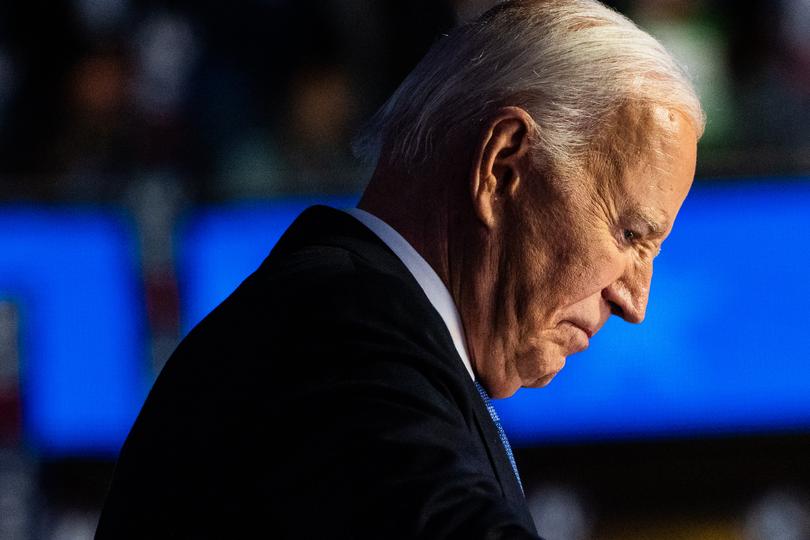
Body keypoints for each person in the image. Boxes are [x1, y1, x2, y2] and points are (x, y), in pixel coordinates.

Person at [95, 1, 704, 538]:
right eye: (629, 235)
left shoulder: (361, 329)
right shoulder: (336, 340)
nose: (635, 300)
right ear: (502, 167)